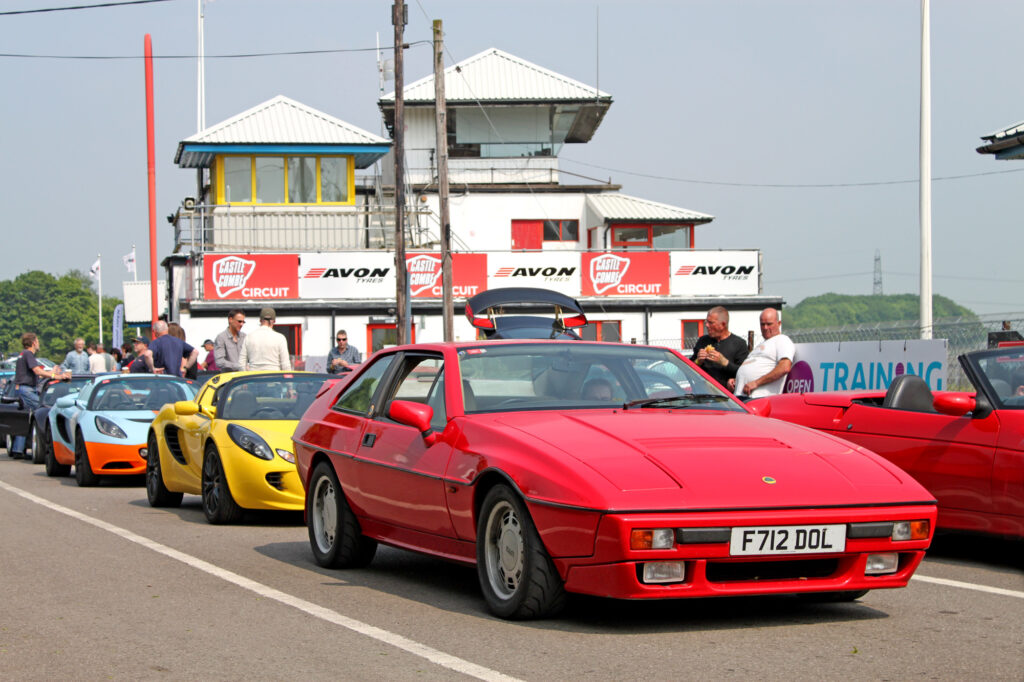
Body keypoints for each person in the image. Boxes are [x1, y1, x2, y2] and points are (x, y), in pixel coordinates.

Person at [10, 333, 63, 458]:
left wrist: (51, 372)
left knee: (25, 419)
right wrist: (55, 376)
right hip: (26, 390)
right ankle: (48, 446)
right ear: (33, 342)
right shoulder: (28, 354)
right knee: (43, 411)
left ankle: (18, 450)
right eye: (38, 341)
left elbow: (37, 374)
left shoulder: (23, 354)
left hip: (23, 389)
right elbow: (37, 371)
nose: (38, 343)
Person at [732, 307, 796, 398]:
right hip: (741, 396)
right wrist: (737, 381)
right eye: (762, 324)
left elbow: (785, 367)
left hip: (758, 398)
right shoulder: (761, 344)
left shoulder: (782, 340)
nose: (765, 328)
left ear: (779, 324)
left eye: (769, 324)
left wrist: (756, 383)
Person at [690, 306, 749, 391]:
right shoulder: (703, 341)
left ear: (723, 324)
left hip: (726, 398)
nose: (706, 325)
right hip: (703, 394)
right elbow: (688, 368)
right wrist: (698, 361)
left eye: (711, 323)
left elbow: (744, 373)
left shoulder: (739, 344)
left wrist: (725, 362)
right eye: (706, 322)